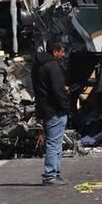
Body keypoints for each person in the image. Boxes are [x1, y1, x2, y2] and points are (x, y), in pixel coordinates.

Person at [33, 40, 70, 186]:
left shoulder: (37, 66)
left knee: (55, 142)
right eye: (61, 51)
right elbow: (57, 90)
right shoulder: (53, 66)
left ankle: (55, 172)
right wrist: (65, 105)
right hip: (55, 110)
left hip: (44, 107)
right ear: (55, 51)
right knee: (54, 143)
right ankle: (50, 175)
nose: (63, 54)